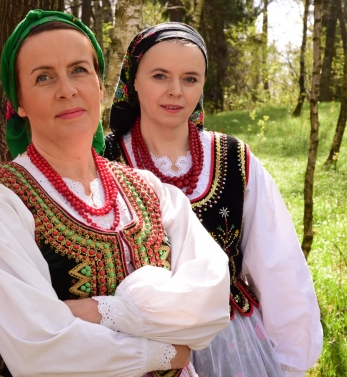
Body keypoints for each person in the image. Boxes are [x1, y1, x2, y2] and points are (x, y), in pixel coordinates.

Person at [0, 9, 230, 377]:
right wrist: (165, 353)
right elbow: (38, 347)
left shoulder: (150, 189)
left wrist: (105, 312)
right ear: (19, 102)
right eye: (44, 77)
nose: (67, 90)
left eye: (79, 70)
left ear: (100, 87)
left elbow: (210, 304)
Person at [104, 22, 323, 377]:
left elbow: (277, 263)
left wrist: (291, 360)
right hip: (136, 341)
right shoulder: (104, 160)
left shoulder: (233, 157)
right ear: (134, 80)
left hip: (229, 342)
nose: (176, 91)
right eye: (160, 76)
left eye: (190, 79)